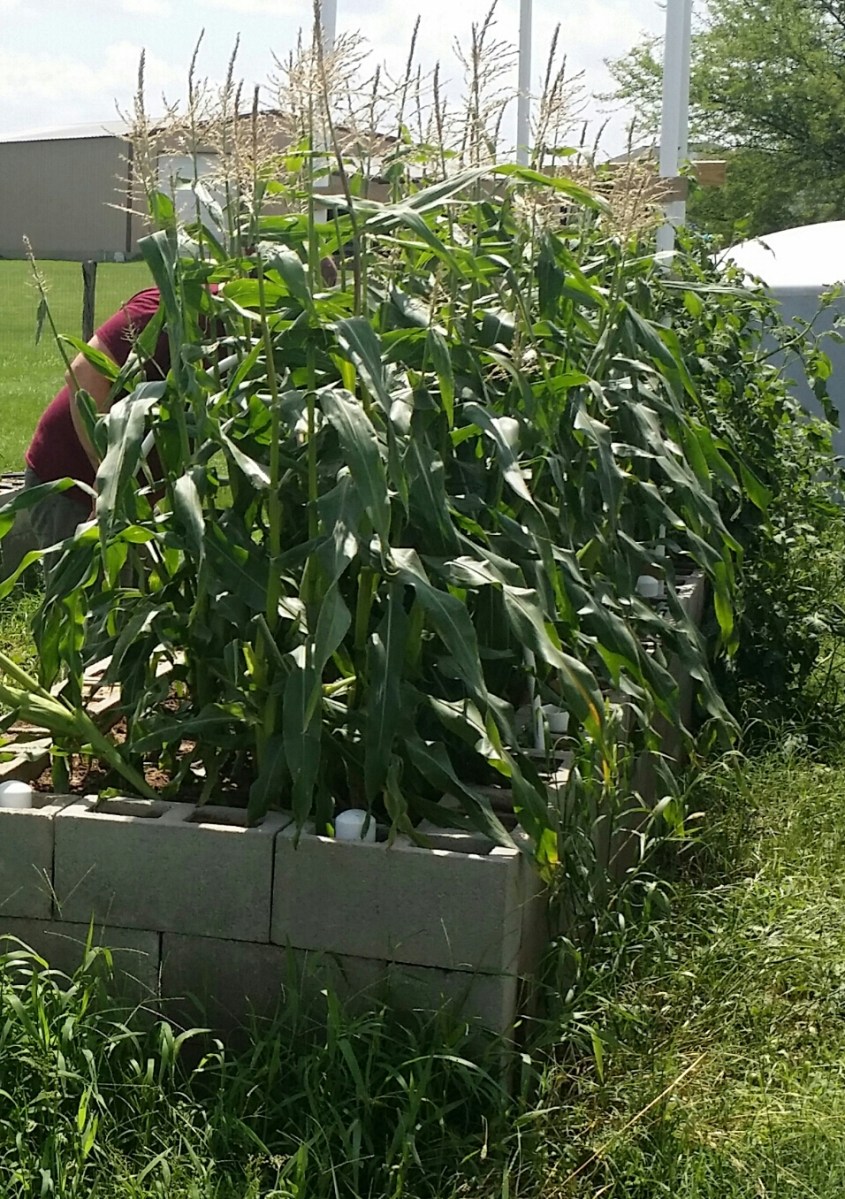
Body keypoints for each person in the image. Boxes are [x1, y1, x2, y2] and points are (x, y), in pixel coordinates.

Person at [23, 287, 169, 551]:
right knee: (85, 577)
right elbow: (84, 373)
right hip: (75, 484)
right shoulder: (173, 305)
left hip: (134, 497)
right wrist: (107, 480)